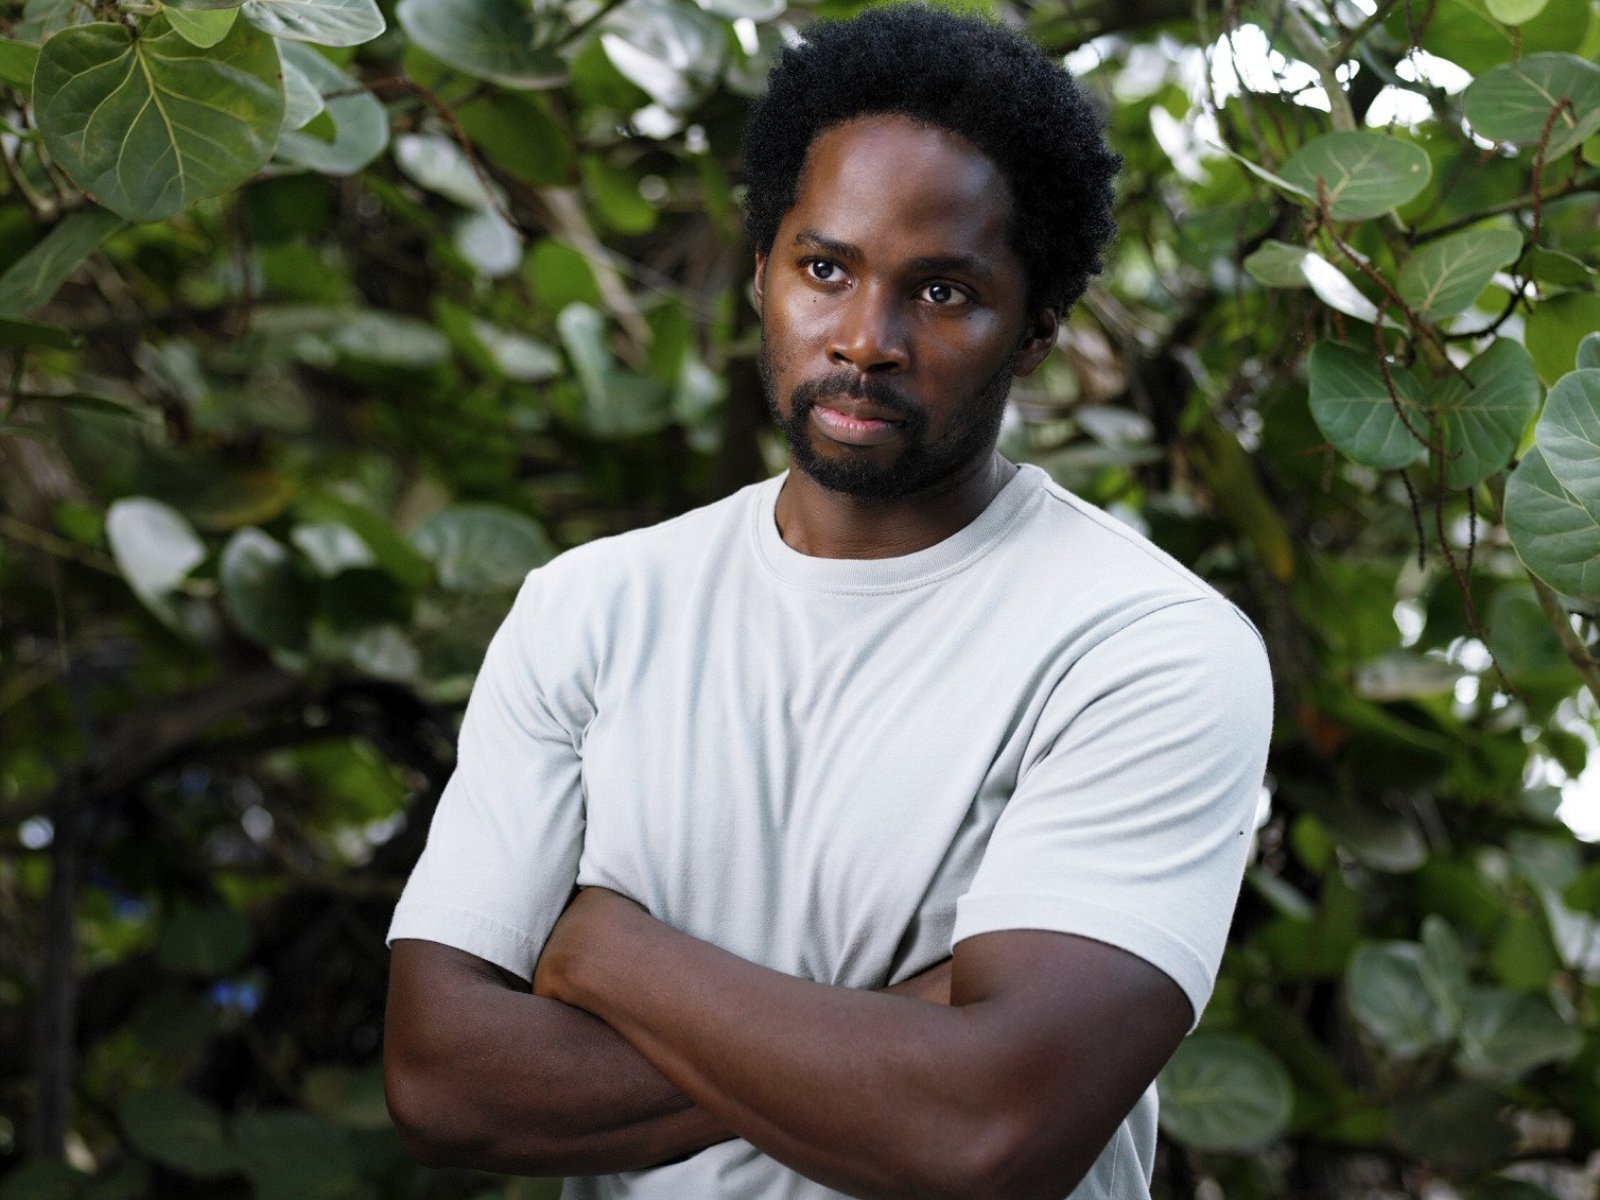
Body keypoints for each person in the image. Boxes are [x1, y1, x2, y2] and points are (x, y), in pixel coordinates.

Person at [382, 6, 1274, 1198]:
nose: (865, 340)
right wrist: (907, 1034)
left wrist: (603, 951)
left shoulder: (1142, 648)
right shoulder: (588, 611)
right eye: (824, 269)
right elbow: (443, 1083)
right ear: (761, 273)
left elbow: (988, 1135)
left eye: (942, 291)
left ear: (1034, 331)